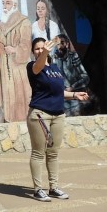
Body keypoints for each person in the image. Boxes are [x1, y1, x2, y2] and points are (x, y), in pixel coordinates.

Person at [26, 35, 89, 202]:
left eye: (42, 47)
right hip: (40, 114)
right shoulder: (33, 66)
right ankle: (38, 189)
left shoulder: (54, 68)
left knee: (53, 153)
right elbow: (38, 67)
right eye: (37, 49)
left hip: (58, 115)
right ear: (33, 52)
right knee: (39, 153)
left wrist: (75, 95)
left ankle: (53, 187)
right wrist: (45, 52)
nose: (40, 50)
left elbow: (57, 92)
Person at [0, 0, 32, 123]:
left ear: (14, 5)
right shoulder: (0, 24)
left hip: (19, 68)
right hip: (5, 68)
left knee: (21, 99)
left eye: (8, 3)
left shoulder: (24, 22)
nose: (5, 6)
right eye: (3, 3)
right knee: (7, 99)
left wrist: (15, 50)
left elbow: (26, 46)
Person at [51, 34, 93, 116]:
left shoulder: (73, 57)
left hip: (77, 99)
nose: (59, 47)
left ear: (67, 44)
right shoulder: (54, 60)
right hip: (62, 100)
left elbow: (85, 77)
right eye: (57, 44)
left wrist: (72, 87)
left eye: (61, 43)